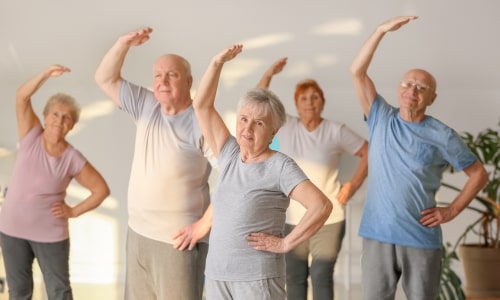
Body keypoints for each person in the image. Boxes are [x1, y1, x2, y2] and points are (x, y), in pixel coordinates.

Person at [172, 44, 333, 300]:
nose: (248, 128)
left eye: (259, 123)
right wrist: (217, 63)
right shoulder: (230, 154)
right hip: (217, 275)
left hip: (257, 280)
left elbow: (321, 206)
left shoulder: (280, 165)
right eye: (244, 119)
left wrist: (286, 243)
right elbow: (202, 106)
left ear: (273, 132)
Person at [349, 16, 489, 300]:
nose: (412, 90)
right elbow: (357, 71)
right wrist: (380, 32)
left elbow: (478, 174)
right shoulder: (380, 117)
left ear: (431, 98)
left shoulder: (442, 135)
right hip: (378, 234)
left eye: (421, 87)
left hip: (420, 238)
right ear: (399, 89)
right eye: (407, 83)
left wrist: (451, 211)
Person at [94, 27, 214, 300]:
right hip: (137, 235)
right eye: (157, 75)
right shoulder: (146, 105)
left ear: (189, 81)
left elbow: (235, 175)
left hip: (178, 243)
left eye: (172, 74)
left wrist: (205, 224)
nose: (162, 81)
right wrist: (123, 42)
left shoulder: (203, 121)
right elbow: (104, 78)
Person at [256, 58, 368, 300]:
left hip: (328, 218)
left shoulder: (335, 131)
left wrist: (353, 185)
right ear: (296, 104)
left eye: (315, 97)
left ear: (322, 102)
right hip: (292, 217)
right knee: (294, 277)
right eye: (304, 98)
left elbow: (367, 151)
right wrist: (269, 73)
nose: (310, 102)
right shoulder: (286, 127)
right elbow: (259, 101)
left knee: (321, 274)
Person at [0, 65, 110, 300]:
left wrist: (73, 211)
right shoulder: (31, 135)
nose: (60, 120)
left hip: (49, 234)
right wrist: (44, 75)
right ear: (46, 116)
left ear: (72, 125)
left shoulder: (72, 158)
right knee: (18, 292)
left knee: (59, 292)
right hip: (11, 229)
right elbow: (21, 96)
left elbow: (101, 190)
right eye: (56, 114)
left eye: (67, 117)